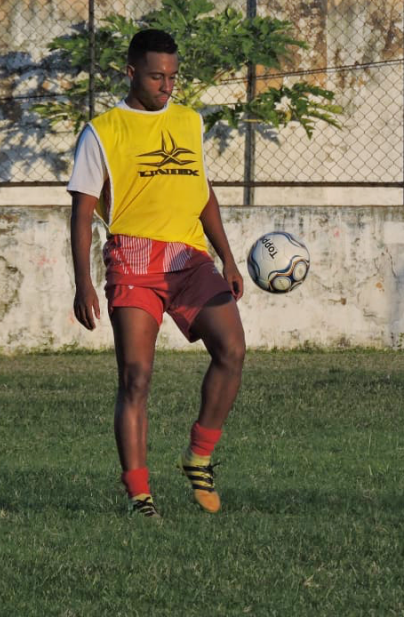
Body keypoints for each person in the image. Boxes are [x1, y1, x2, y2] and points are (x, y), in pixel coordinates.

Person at [67, 28, 247, 518]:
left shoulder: (189, 121)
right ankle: (139, 495)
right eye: (155, 77)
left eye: (172, 77)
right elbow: (82, 212)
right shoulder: (102, 131)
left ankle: (199, 456)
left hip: (189, 257)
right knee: (136, 378)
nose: (166, 86)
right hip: (133, 258)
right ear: (130, 73)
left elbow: (202, 190)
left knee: (232, 350)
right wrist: (83, 282)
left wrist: (226, 256)